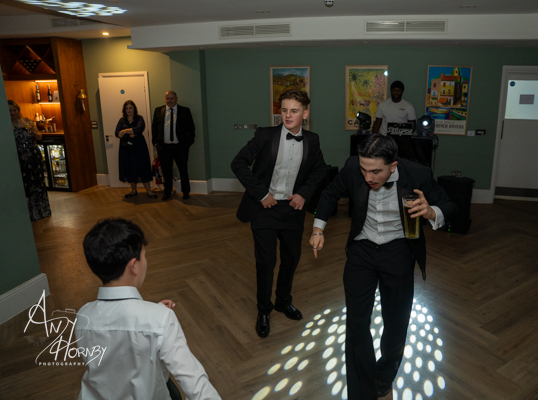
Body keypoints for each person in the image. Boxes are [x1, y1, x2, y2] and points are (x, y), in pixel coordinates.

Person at [310, 134, 456, 400]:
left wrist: (432, 212)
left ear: (393, 165)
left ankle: (385, 374)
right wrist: (318, 229)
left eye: (376, 171)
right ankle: (362, 392)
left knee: (396, 323)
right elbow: (330, 193)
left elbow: (449, 205)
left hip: (399, 251)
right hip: (362, 250)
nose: (368, 177)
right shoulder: (353, 167)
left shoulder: (418, 174)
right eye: (364, 170)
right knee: (356, 323)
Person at [76, 218, 221, 400]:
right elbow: (194, 383)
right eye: (144, 256)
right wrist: (157, 317)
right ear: (134, 266)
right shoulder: (161, 319)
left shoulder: (83, 316)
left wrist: (154, 312)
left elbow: (114, 350)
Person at [231, 89, 327, 338]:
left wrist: (304, 193)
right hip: (265, 208)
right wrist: (262, 194)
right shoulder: (265, 135)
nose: (287, 116)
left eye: (294, 111)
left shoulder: (312, 140)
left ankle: (283, 301)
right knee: (266, 262)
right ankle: (263, 310)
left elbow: (320, 170)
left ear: (305, 113)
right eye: (284, 110)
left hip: (293, 210)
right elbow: (238, 163)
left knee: (291, 259)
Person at [8, 100, 51, 221]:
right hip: (19, 159)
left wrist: (33, 132)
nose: (12, 113)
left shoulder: (26, 121)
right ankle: (28, 213)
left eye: (14, 110)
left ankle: (42, 211)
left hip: (33, 157)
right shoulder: (5, 125)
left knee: (38, 183)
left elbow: (39, 137)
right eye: (10, 111)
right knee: (25, 185)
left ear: (18, 110)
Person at [151, 91, 195, 201]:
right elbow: (154, 128)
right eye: (167, 98)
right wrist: (156, 143)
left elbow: (191, 129)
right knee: (166, 172)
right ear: (165, 99)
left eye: (172, 98)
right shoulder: (158, 110)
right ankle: (167, 192)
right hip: (164, 147)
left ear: (176, 99)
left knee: (183, 170)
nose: (169, 100)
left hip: (180, 147)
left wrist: (186, 144)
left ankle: (186, 192)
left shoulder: (185, 111)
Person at [116, 100, 156, 198]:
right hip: (126, 148)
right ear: (124, 110)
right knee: (130, 168)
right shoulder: (122, 120)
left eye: (130, 108)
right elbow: (117, 133)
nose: (129, 110)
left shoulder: (139, 118)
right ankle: (133, 190)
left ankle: (149, 191)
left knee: (143, 167)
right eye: (127, 108)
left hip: (139, 148)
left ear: (134, 109)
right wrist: (130, 133)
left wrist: (125, 131)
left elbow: (139, 129)